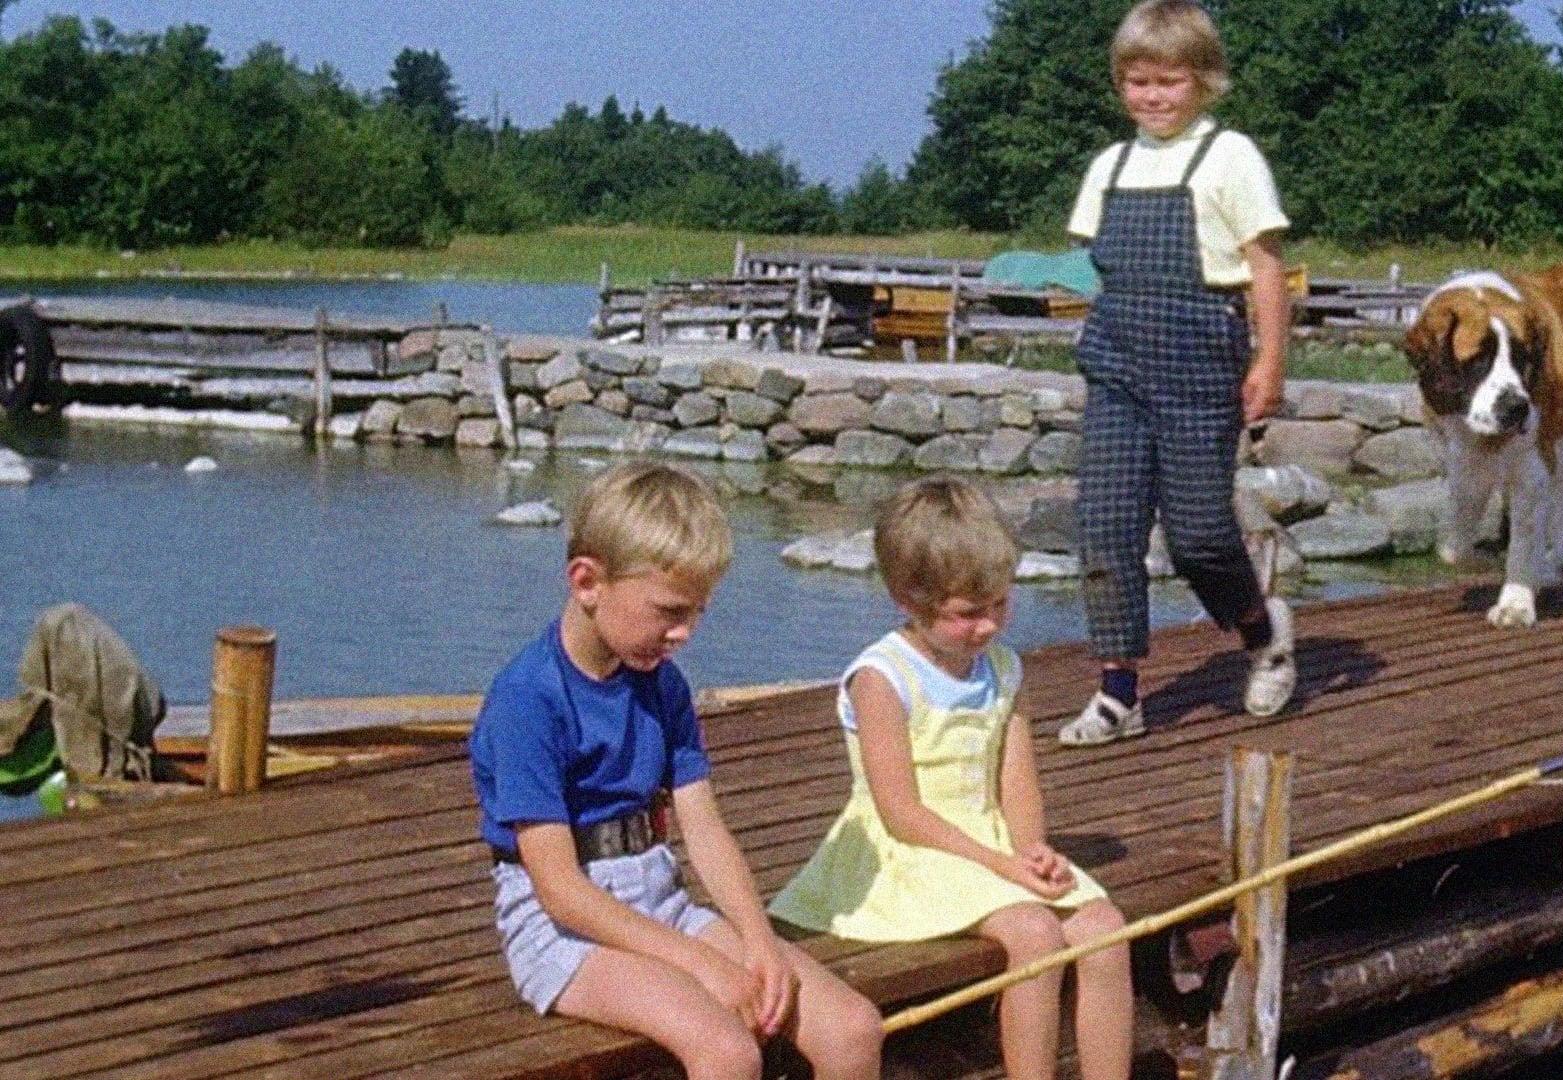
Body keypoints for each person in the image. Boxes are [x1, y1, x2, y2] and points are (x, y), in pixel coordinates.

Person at [469, 463, 882, 1080]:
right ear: (587, 582)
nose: (683, 633)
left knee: (851, 1027)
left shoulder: (662, 686)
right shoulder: (528, 700)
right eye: (668, 612)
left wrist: (759, 944)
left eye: (695, 614)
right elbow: (559, 889)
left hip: (659, 898)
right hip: (561, 930)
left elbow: (705, 832)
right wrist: (700, 963)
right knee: (726, 1051)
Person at [770, 478, 1133, 1080]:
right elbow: (900, 813)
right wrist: (1003, 869)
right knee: (1034, 933)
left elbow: (1016, 779)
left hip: (988, 843)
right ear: (907, 598)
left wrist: (1031, 849)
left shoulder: (1003, 669)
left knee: (1105, 928)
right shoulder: (883, 677)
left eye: (999, 605)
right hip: (910, 852)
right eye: (968, 614)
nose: (988, 626)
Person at [1058, 0, 1297, 747]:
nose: (1153, 96)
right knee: (1104, 527)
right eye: (1137, 82)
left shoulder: (1231, 157)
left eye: (1169, 82)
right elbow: (1096, 271)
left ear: (1204, 81)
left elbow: (1265, 268)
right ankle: (1119, 692)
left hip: (1201, 358)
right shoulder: (1110, 165)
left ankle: (1263, 634)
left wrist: (1269, 361)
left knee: (1198, 537)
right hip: (1119, 365)